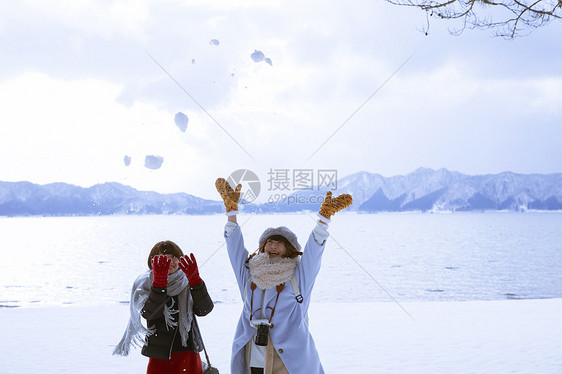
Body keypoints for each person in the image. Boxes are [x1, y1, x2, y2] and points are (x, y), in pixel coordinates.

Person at [215, 178, 352, 374]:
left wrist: (323, 220)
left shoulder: (297, 277)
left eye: (280, 243)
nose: (273, 246)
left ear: (290, 250)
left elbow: (313, 254)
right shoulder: (250, 273)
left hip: (287, 359)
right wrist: (231, 213)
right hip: (252, 353)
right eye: (269, 241)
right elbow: (234, 249)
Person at [113, 240, 214, 374]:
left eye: (174, 257)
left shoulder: (187, 279)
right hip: (160, 355)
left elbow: (204, 310)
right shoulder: (146, 283)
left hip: (189, 351)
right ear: (153, 261)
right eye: (164, 258)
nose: (171, 261)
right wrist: (159, 286)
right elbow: (149, 314)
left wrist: (196, 282)